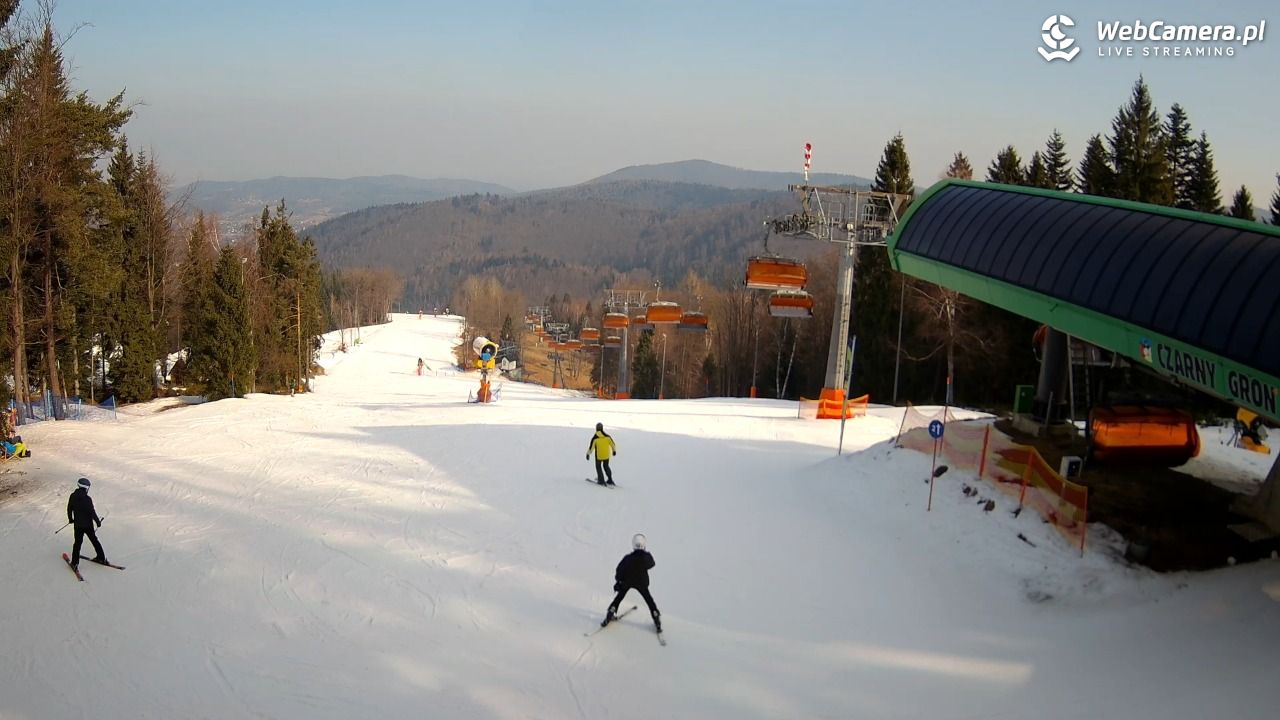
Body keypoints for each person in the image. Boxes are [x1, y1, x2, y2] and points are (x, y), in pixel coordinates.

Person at [603, 533, 661, 633]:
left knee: (620, 596)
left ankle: (611, 611)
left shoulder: (628, 558)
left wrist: (618, 581)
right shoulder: (646, 557)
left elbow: (619, 570)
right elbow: (652, 563)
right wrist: (645, 555)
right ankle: (655, 615)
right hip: (641, 582)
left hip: (627, 581)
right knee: (648, 599)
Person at [67, 477, 108, 570]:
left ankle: (74, 563)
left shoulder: (72, 496)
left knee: (77, 543)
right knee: (94, 540)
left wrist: (70, 519)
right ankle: (101, 558)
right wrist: (98, 522)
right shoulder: (88, 499)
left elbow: (69, 508)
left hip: (78, 525)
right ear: (86, 488)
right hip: (88, 525)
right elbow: (92, 512)